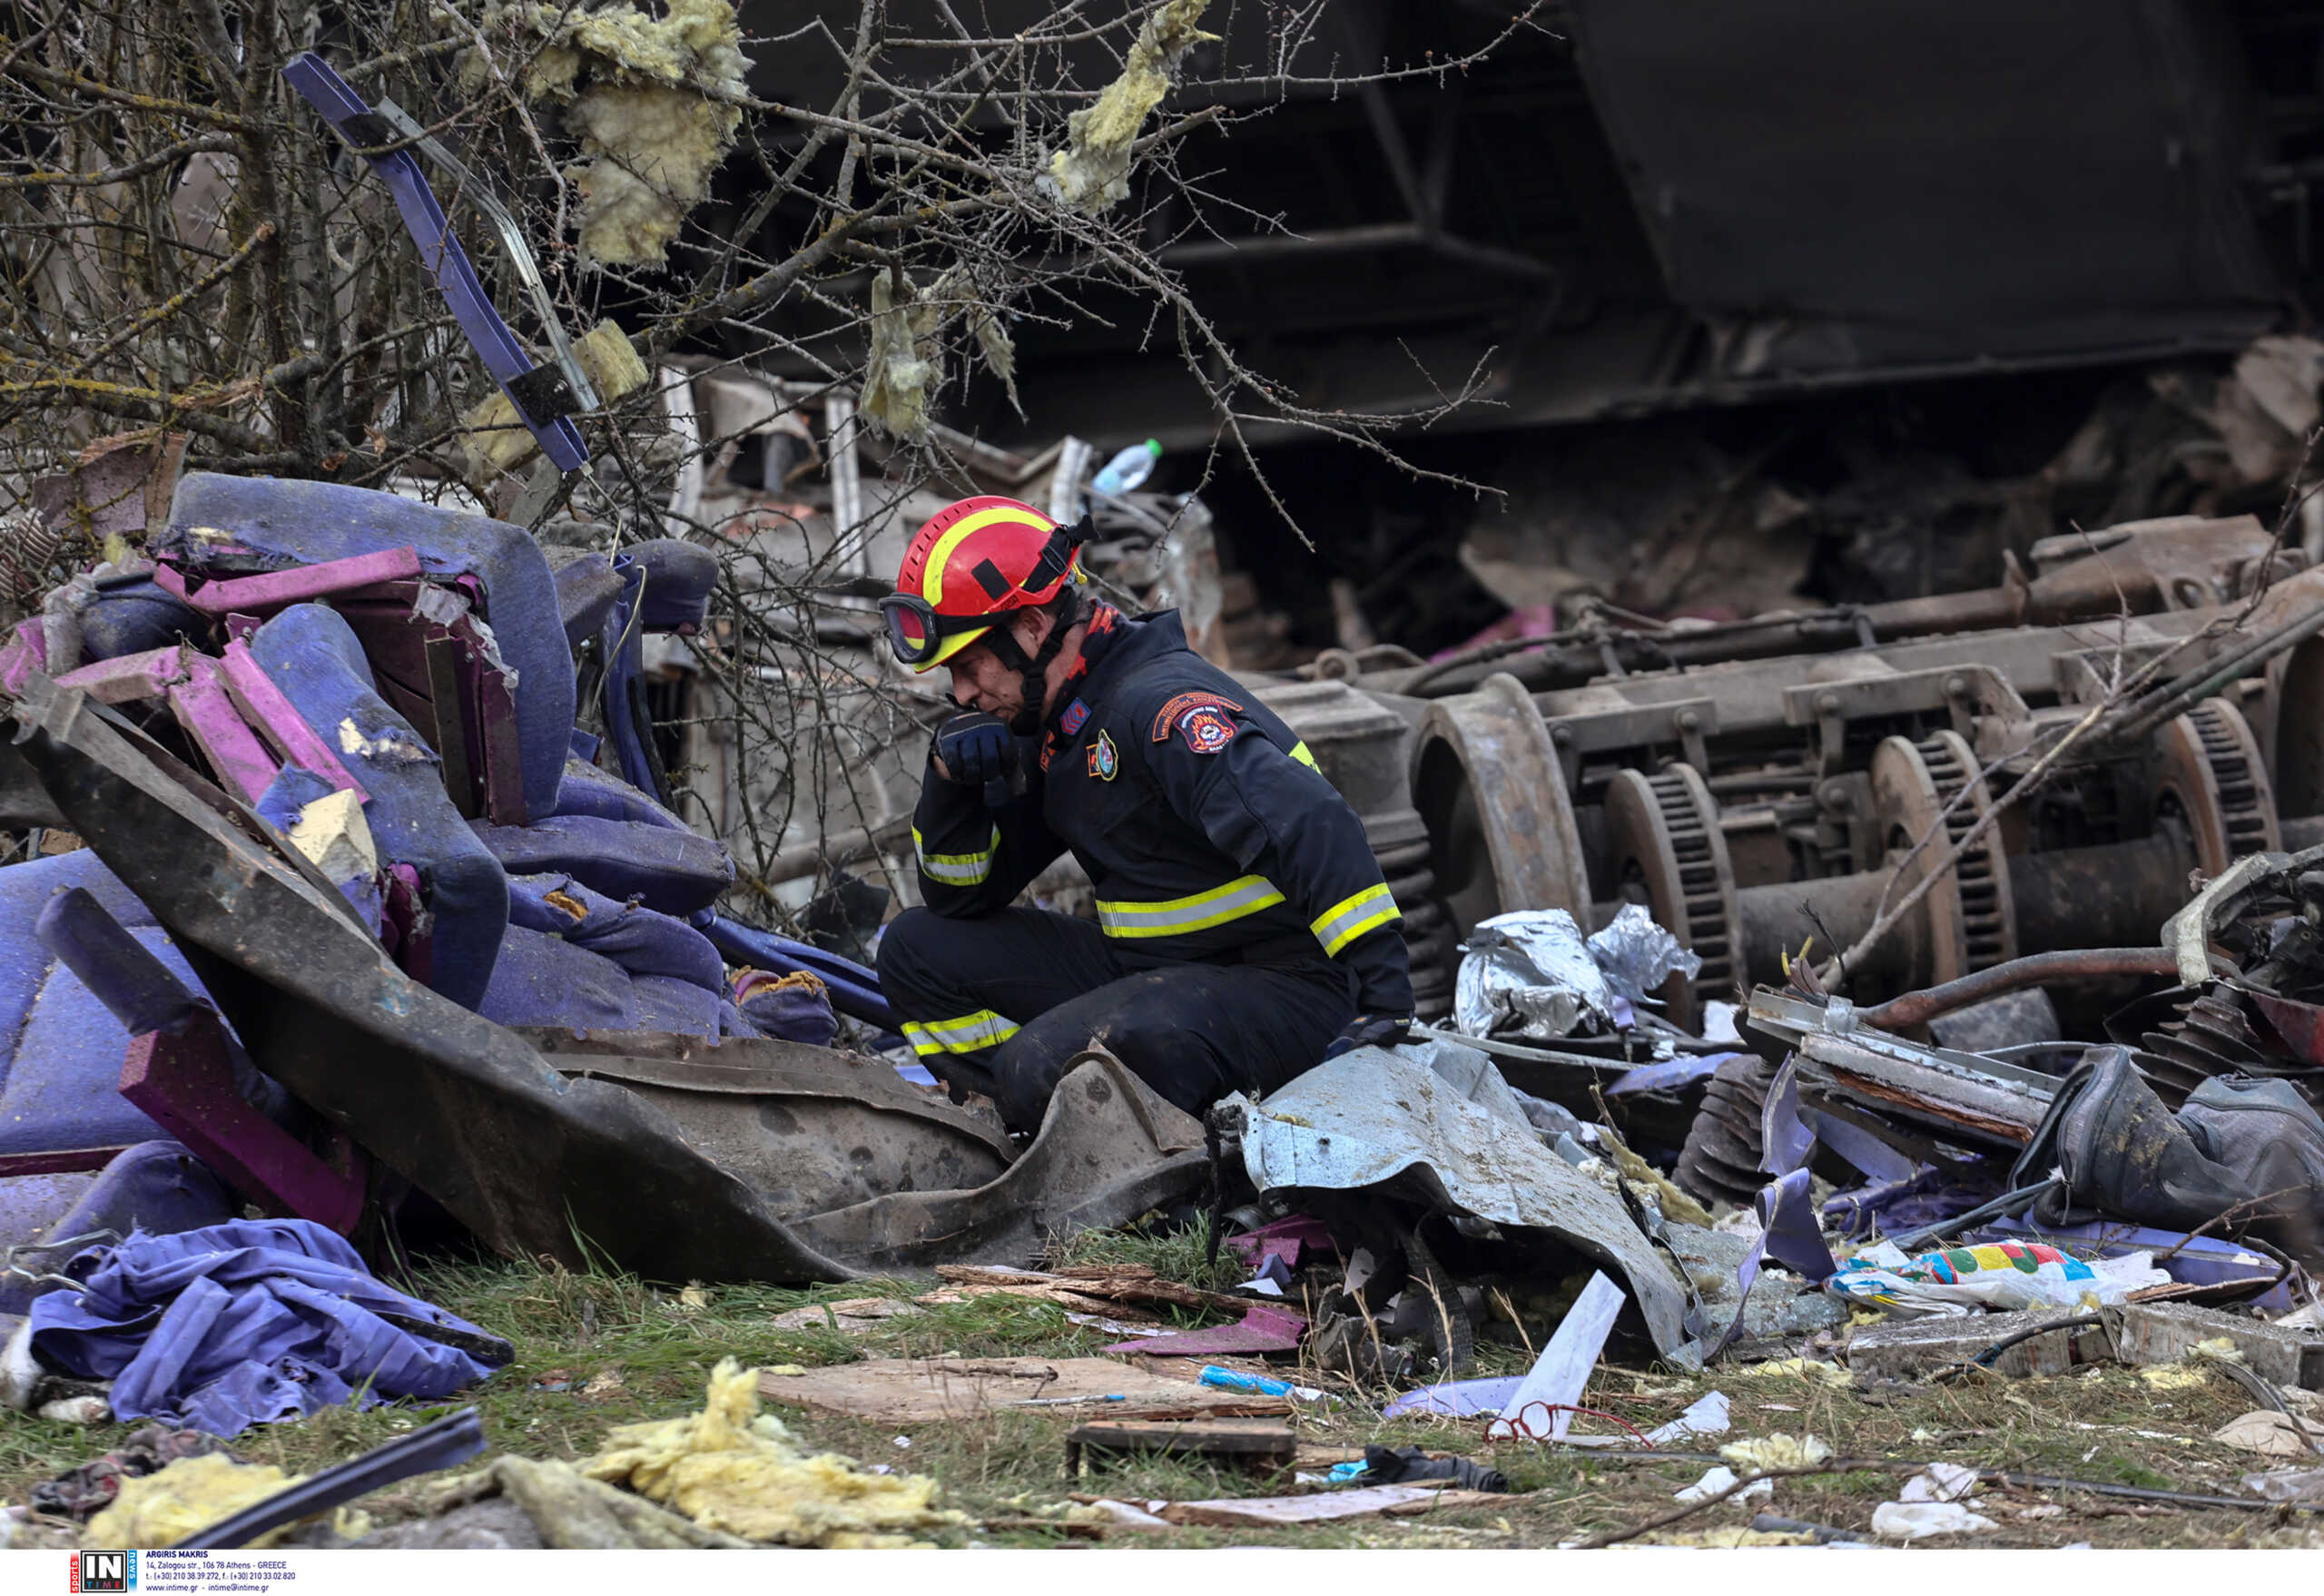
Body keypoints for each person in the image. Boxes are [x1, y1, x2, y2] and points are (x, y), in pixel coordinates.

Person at [873, 494, 1415, 1132]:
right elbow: (960, 898)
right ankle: (1023, 1130)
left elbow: (1313, 820)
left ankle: (1152, 1155)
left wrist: (1384, 999)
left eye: (969, 665)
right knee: (914, 948)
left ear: (1030, 627)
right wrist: (950, 783)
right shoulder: (1061, 723)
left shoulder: (1157, 709)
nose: (962, 692)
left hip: (1286, 988)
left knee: (1039, 1067)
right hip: (1158, 971)